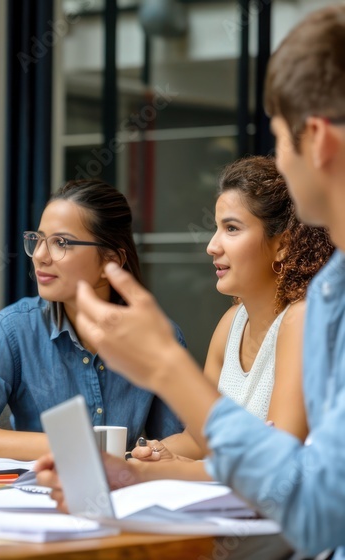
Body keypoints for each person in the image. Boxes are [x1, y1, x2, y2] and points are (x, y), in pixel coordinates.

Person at [37, 5, 345, 555]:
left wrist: (165, 369)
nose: (211, 245)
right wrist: (147, 462)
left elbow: (310, 503)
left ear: (317, 139)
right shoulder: (328, 292)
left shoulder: (317, 312)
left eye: (278, 139)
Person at [0, 180, 184, 461]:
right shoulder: (15, 329)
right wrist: (75, 447)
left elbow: (176, 445)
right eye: (38, 240)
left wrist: (144, 458)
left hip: (125, 497)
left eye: (61, 243)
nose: (39, 256)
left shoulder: (158, 338)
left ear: (110, 260)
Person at [128, 156, 332, 482]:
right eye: (217, 228)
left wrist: (175, 470)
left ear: (283, 245)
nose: (212, 246)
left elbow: (276, 462)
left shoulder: (301, 321)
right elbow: (200, 437)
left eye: (232, 229)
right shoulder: (231, 323)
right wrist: (153, 454)